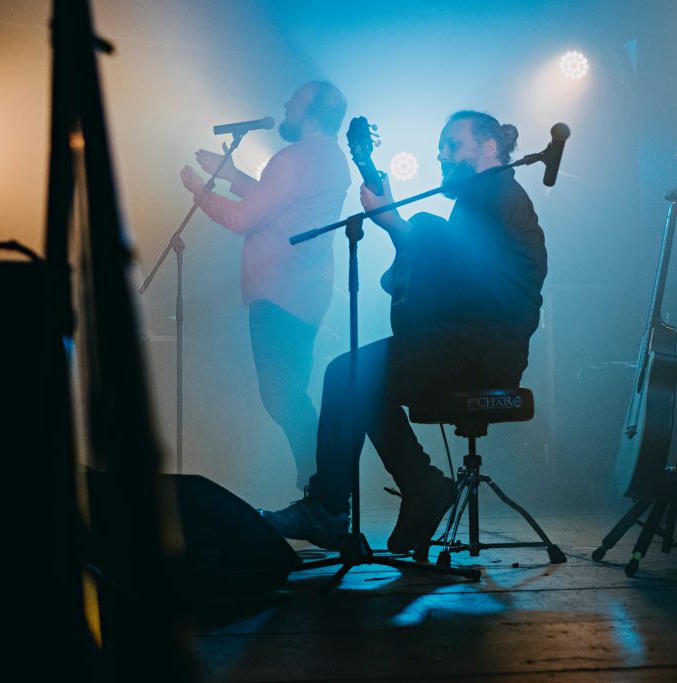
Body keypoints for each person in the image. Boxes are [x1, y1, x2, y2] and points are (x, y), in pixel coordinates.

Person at [260, 110, 548, 553]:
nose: (441, 154)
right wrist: (398, 230)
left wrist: (396, 225)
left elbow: (463, 271)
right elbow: (453, 271)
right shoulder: (479, 199)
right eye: (440, 148)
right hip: (470, 342)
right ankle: (420, 484)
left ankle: (331, 507)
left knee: (345, 373)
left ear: (490, 147)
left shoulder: (493, 193)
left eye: (453, 145)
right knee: (362, 380)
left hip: (482, 348)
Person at [180, 81, 351, 490]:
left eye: (296, 101)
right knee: (289, 394)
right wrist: (231, 176)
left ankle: (322, 486)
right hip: (303, 292)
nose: (286, 103)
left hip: (279, 292)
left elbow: (243, 220)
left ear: (310, 118)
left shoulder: (292, 158)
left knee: (282, 397)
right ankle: (319, 485)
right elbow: (277, 202)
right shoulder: (329, 157)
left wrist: (199, 192)